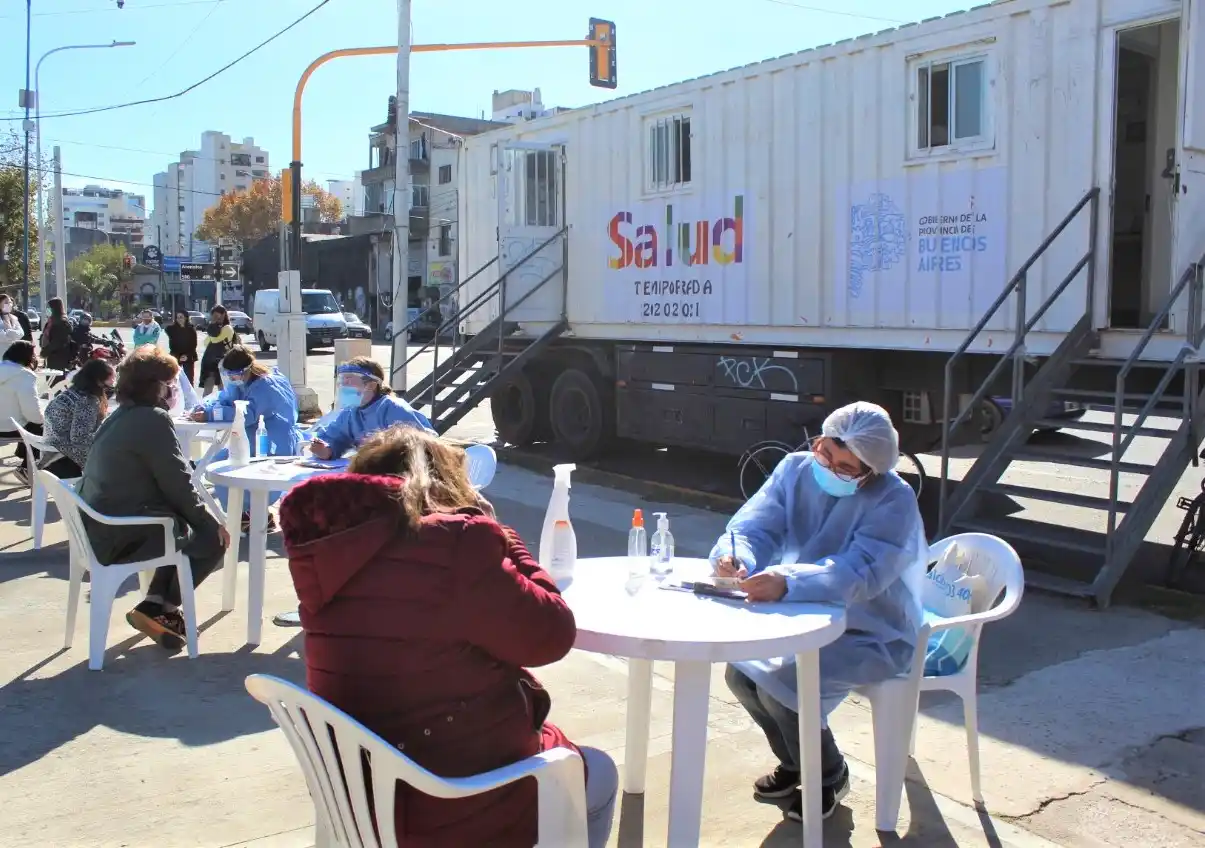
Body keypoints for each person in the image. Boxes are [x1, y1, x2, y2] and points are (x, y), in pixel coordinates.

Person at [278, 425, 618, 847]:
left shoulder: (322, 551)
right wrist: (502, 535)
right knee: (599, 772)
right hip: (449, 804)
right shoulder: (455, 543)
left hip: (359, 795)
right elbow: (552, 634)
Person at [710, 402, 927, 823]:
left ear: (871, 472)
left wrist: (789, 582)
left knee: (783, 684)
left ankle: (829, 773)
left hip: (870, 628)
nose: (829, 469)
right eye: (825, 453)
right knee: (740, 673)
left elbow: (860, 571)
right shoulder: (795, 469)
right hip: (802, 613)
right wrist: (736, 558)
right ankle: (795, 763)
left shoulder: (894, 500)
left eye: (847, 468)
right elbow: (756, 524)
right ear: (819, 440)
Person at [78, 345, 229, 649]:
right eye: (170, 383)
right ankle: (164, 608)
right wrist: (212, 523)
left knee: (183, 527)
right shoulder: (154, 419)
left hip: (97, 524)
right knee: (211, 538)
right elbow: (178, 483)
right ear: (155, 385)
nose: (172, 390)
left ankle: (155, 605)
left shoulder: (120, 414)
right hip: (119, 533)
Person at [190, 344, 302, 532]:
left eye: (234, 375)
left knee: (230, 471)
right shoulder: (241, 381)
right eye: (229, 375)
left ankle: (249, 515)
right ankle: (248, 514)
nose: (232, 380)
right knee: (215, 463)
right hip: (249, 440)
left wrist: (211, 414)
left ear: (246, 370)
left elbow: (246, 413)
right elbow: (225, 398)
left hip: (273, 441)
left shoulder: (267, 384)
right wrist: (203, 407)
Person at [308, 357, 434, 459]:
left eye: (350, 380)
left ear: (372, 385)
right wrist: (326, 450)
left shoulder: (394, 409)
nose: (343, 386)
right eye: (342, 380)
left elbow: (426, 445)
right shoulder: (351, 412)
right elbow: (332, 436)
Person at [41, 359, 116, 479]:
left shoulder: (74, 391)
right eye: (111, 379)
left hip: (51, 448)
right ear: (98, 380)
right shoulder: (87, 400)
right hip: (65, 457)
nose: (114, 383)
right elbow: (80, 438)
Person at [0, 340, 45, 482]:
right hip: (9, 427)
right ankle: (27, 468)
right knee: (41, 425)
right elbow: (33, 415)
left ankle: (23, 456)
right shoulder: (25, 376)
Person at [198, 305, 234, 395]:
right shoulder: (215, 327)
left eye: (217, 316)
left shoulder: (227, 328)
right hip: (210, 362)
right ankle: (205, 408)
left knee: (222, 390)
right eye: (213, 316)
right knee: (208, 390)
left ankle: (222, 408)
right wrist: (213, 325)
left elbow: (215, 339)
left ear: (223, 315)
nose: (215, 319)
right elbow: (205, 343)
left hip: (223, 361)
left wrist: (212, 325)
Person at [39, 297, 76, 374]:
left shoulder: (62, 323)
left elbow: (58, 341)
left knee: (55, 382)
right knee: (50, 382)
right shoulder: (51, 321)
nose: (47, 310)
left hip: (59, 358)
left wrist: (45, 351)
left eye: (49, 307)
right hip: (51, 357)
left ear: (54, 308)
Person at [165, 310, 199, 386]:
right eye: (177, 317)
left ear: (186, 318)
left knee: (189, 380)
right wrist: (178, 356)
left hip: (189, 356)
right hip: (175, 355)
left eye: (181, 317)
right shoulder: (172, 329)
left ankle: (189, 397)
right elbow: (167, 329)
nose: (179, 319)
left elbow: (194, 345)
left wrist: (186, 355)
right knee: (172, 379)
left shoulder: (191, 329)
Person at [0, 294, 26, 358]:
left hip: (12, 352)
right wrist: (12, 336)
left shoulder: (14, 318)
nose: (9, 304)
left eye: (10, 302)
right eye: (6, 302)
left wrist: (8, 332)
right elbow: (1, 336)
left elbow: (21, 333)